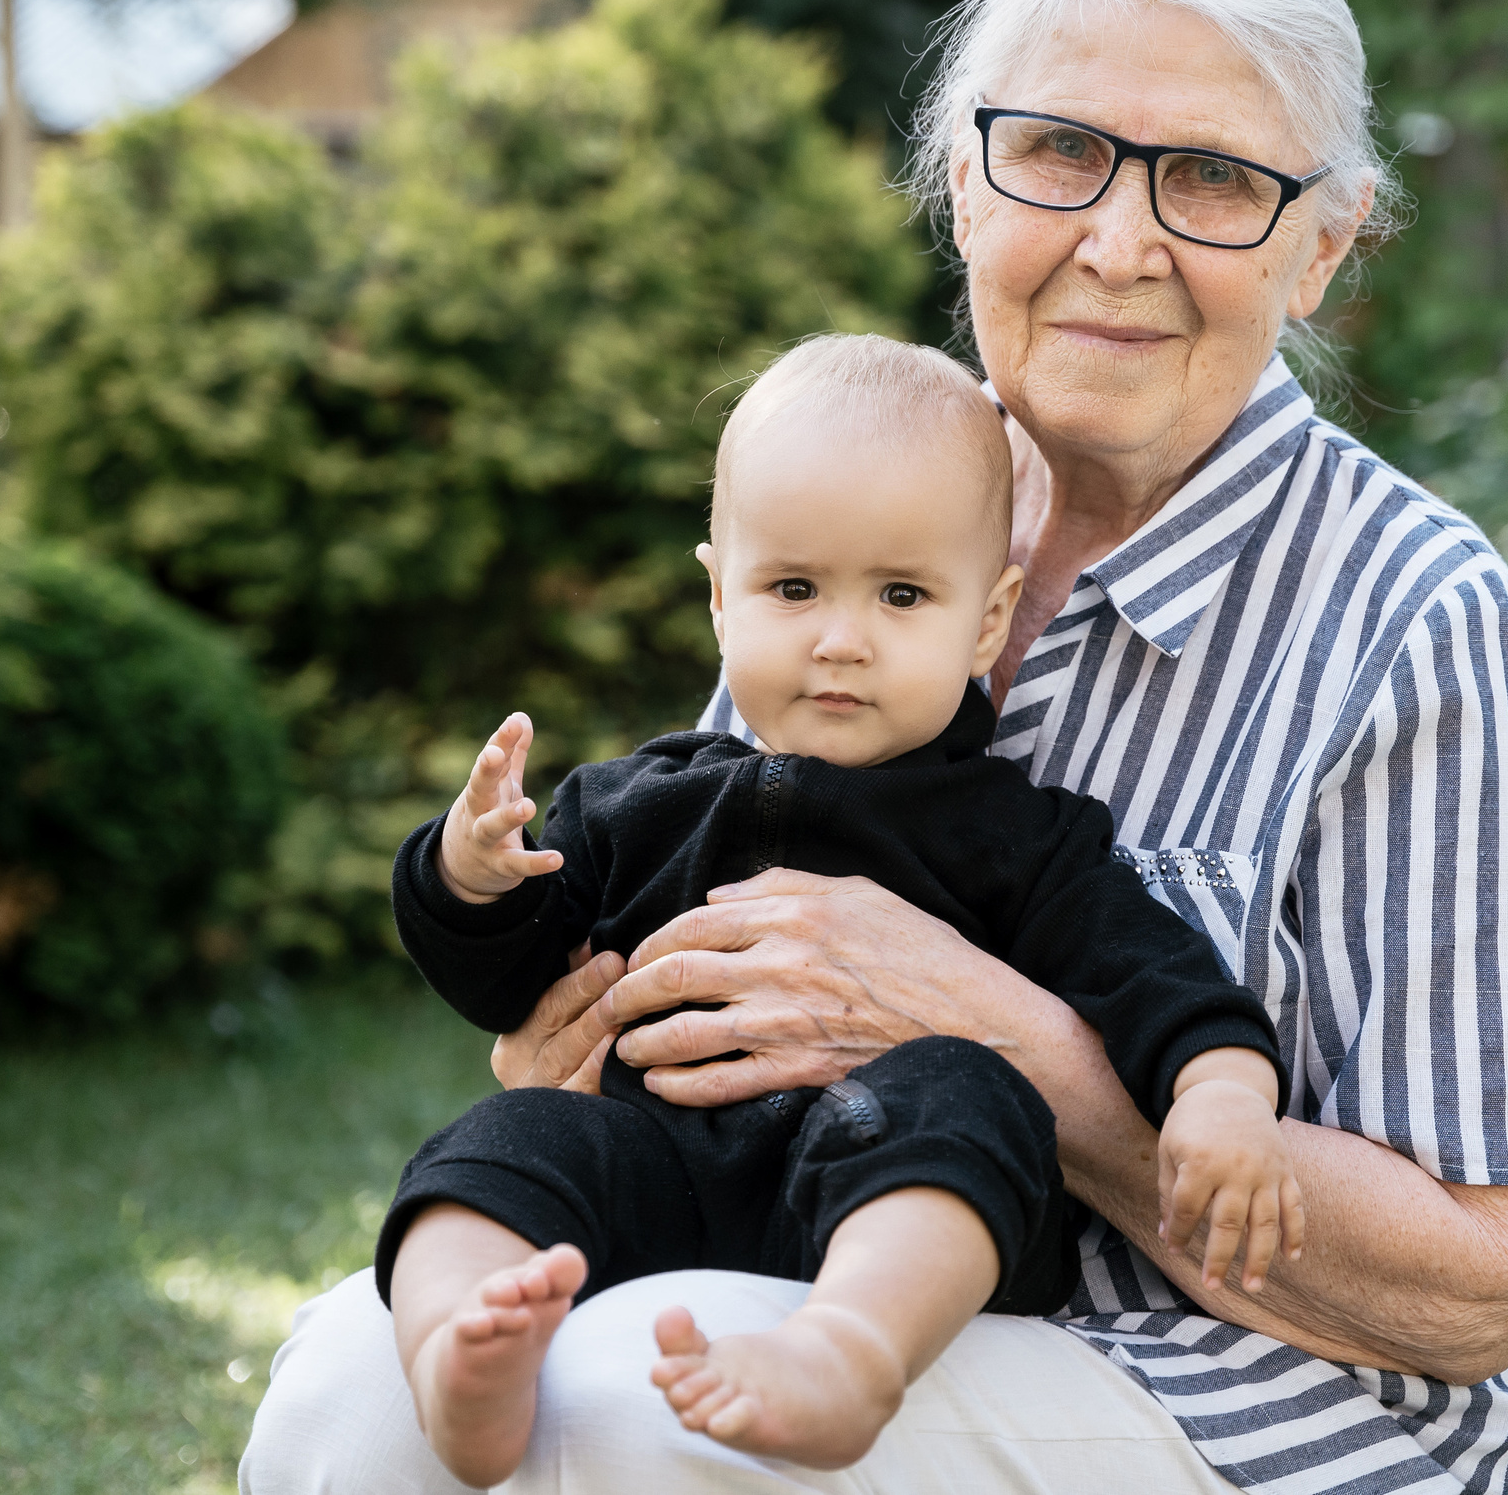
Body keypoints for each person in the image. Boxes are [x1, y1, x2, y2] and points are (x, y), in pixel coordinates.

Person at [243, 0, 1508, 1495]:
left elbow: (1479, 1284)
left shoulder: (1420, 621)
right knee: (351, 1376)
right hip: (792, 1245)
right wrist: (573, 1039)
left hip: (1257, 1409)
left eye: (1218, 181)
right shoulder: (863, 503)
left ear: (1323, 249)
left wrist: (1013, 1042)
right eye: (1059, 151)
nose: (1116, 240)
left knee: (611, 1407)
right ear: (966, 182)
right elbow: (664, 940)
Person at [380, 335, 1298, 1485]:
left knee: (965, 1092)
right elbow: (506, 984)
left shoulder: (1014, 832)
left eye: (902, 594)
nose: (840, 639)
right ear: (720, 596)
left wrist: (1222, 1093)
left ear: (986, 618)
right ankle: (456, 1353)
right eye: (793, 588)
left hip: (892, 1187)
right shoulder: (632, 804)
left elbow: (1152, 975)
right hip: (656, 1168)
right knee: (499, 1141)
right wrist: (467, 876)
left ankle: (847, 1354)